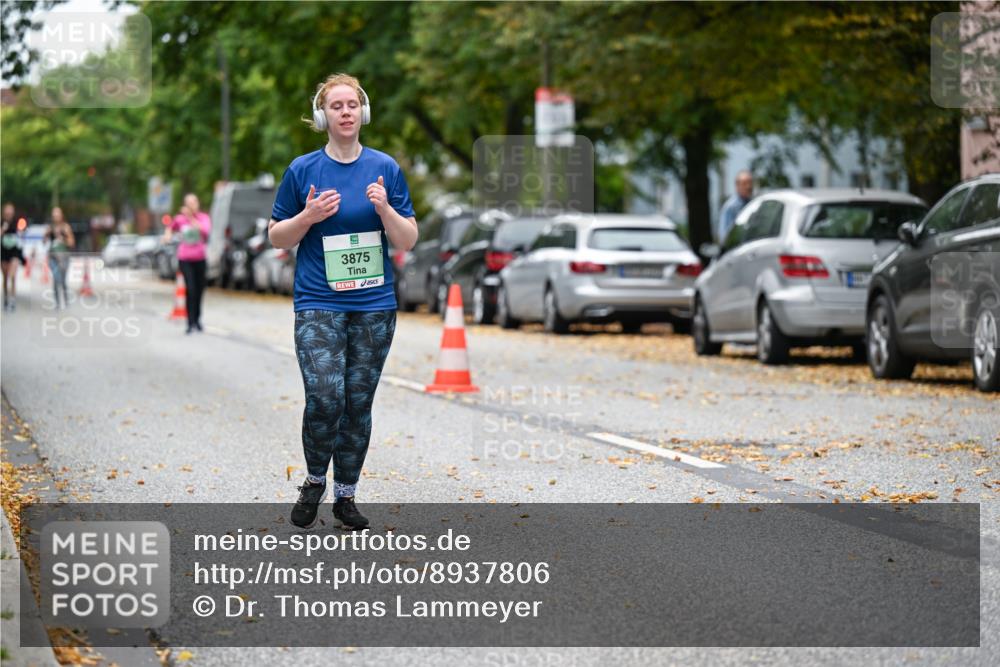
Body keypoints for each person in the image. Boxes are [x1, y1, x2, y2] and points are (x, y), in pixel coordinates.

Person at [268, 73, 418, 530]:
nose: (346, 112)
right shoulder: (303, 170)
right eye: (336, 105)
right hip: (318, 300)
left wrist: (385, 209)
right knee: (325, 396)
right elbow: (276, 236)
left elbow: (407, 240)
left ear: (363, 111)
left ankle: (346, 496)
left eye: (352, 104)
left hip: (374, 303)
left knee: (357, 402)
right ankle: (315, 479)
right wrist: (307, 216)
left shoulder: (385, 169)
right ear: (323, 116)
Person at [169, 194, 211, 334]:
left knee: (199, 290)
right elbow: (170, 227)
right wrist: (167, 235)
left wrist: (192, 218)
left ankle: (198, 320)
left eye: (193, 202)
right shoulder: (180, 220)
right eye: (188, 203)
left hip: (200, 258)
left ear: (197, 204)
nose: (191, 205)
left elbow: (205, 232)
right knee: (190, 289)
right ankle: (190, 322)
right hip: (185, 258)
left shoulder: (203, 218)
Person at [45, 207, 75, 309]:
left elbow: (71, 243)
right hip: (53, 257)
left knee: (62, 280)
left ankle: (66, 300)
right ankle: (57, 302)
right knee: (55, 278)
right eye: (54, 215)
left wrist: (63, 240)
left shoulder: (65, 227)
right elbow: (44, 242)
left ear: (61, 216)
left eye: (57, 215)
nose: (56, 217)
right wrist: (46, 234)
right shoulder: (50, 228)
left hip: (64, 257)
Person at [717, 170, 754, 243]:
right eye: (744, 183)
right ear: (737, 186)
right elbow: (724, 236)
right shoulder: (731, 207)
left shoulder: (753, 204)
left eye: (750, 183)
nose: (748, 186)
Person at [1, 203, 25, 311]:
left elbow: (22, 235)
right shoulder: (1, 223)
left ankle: (12, 299)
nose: (9, 213)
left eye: (11, 211)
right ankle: (6, 297)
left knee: (12, 275)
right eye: (7, 211)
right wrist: (3, 229)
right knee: (6, 277)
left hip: (14, 252)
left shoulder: (17, 222)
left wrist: (21, 232)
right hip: (4, 252)